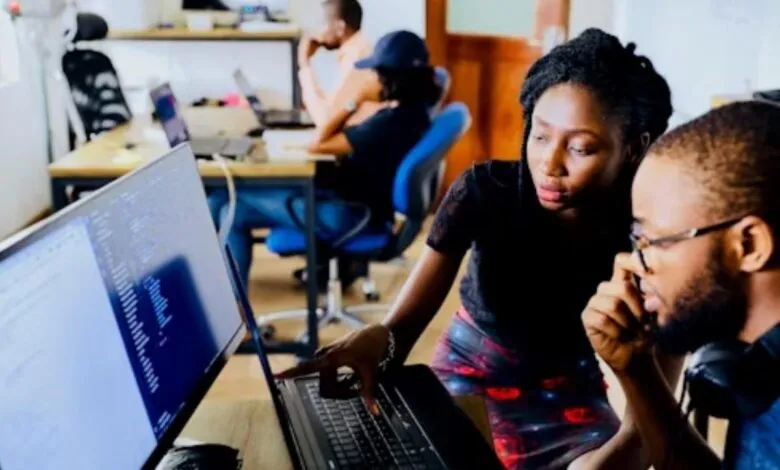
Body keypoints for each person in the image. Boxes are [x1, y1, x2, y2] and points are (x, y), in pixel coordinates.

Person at [277, 29, 677, 469]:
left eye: (580, 147)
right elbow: (400, 331)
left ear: (634, 149)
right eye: (540, 136)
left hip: (570, 400)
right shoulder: (485, 193)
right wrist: (379, 340)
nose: (550, 164)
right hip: (468, 377)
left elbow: (646, 431)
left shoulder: (656, 243)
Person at [582, 101, 780, 470]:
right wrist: (636, 368)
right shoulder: (760, 361)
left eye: (654, 241)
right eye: (636, 239)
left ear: (749, 245)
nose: (632, 263)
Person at [210, 30, 438, 288]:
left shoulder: (389, 123)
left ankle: (228, 303)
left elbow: (319, 143)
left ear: (392, 78)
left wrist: (355, 101)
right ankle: (228, 298)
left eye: (375, 73)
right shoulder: (414, 113)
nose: (370, 78)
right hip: (353, 205)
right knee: (225, 206)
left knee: (227, 203)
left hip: (347, 215)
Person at [298, 0, 378, 128]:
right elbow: (331, 107)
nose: (317, 33)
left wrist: (304, 64)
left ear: (340, 28)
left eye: (321, 23)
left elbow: (325, 121)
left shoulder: (356, 58)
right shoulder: (357, 50)